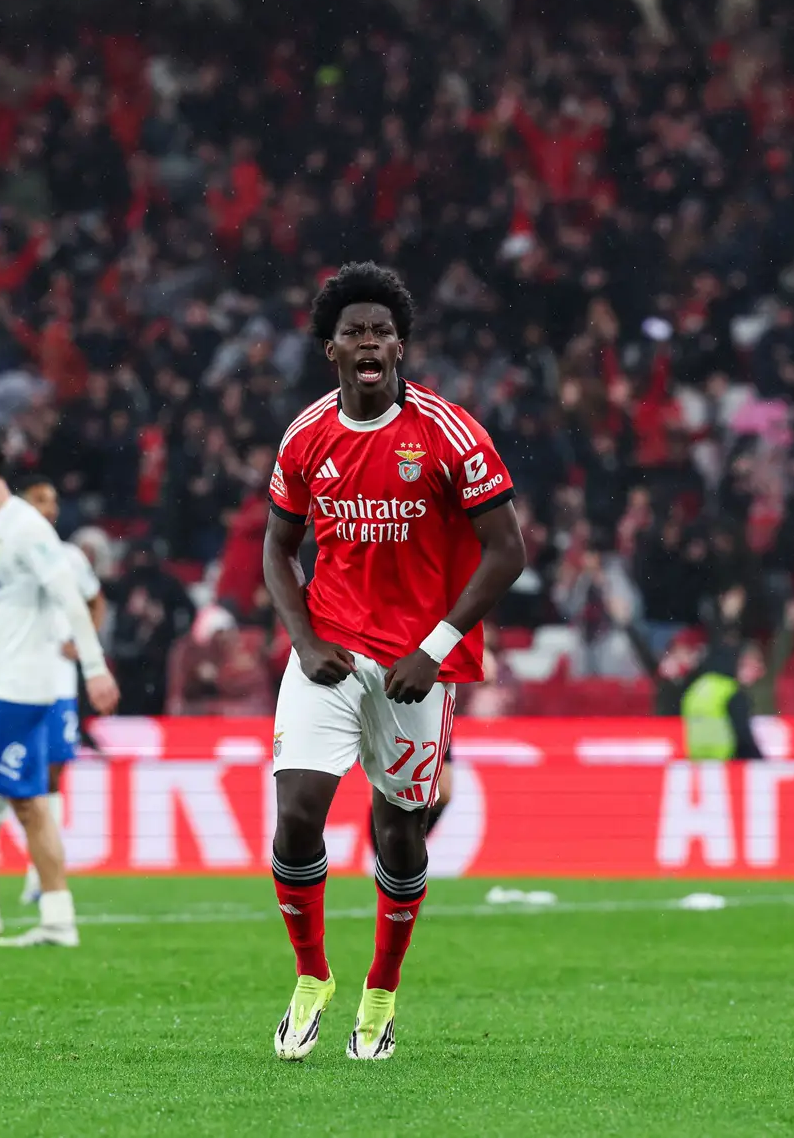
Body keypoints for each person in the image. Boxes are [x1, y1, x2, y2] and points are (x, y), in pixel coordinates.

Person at [262, 263, 525, 1061]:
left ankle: (381, 989)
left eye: (382, 330)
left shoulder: (449, 432)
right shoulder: (307, 435)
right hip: (330, 653)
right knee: (298, 813)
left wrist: (434, 648)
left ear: (400, 346)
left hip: (415, 663)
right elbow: (279, 549)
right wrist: (305, 641)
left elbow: (506, 550)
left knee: (398, 830)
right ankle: (312, 976)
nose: (369, 340)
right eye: (354, 331)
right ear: (331, 349)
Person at [0, 431, 119, 949]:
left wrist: (95, 668)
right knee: (29, 802)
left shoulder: (27, 529)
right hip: (16, 686)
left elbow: (72, 600)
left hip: (20, 686)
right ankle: (58, 920)